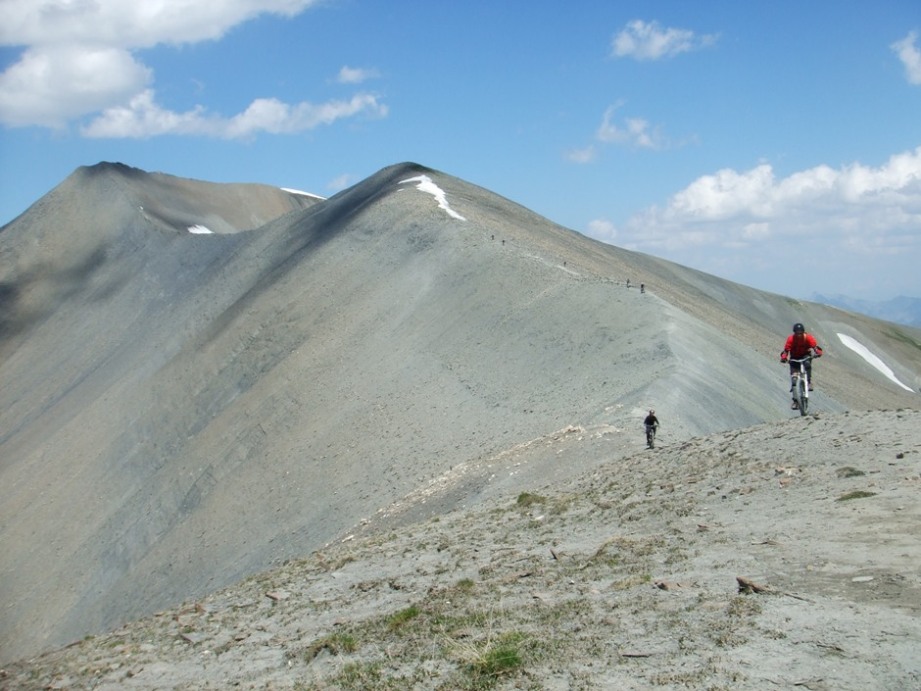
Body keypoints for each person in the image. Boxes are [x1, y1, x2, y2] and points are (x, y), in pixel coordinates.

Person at [780, 322, 823, 409]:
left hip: (805, 355)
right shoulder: (791, 339)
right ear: (794, 333)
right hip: (794, 357)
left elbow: (815, 347)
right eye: (797, 333)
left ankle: (809, 382)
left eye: (800, 333)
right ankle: (796, 401)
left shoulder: (808, 338)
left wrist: (818, 352)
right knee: (794, 379)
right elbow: (786, 350)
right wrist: (784, 357)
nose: (799, 335)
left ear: (803, 332)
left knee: (807, 364)